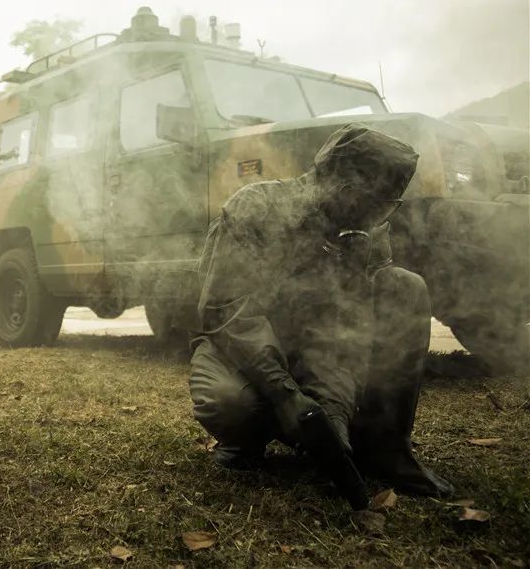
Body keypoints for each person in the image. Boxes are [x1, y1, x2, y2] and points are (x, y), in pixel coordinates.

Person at [189, 124, 453, 497]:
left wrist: (333, 413)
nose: (380, 216)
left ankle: (387, 449)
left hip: (312, 355)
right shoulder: (258, 208)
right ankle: (245, 440)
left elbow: (344, 328)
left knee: (404, 287)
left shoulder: (365, 232)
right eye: (378, 202)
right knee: (232, 401)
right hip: (238, 351)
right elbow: (227, 312)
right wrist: (285, 395)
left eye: (389, 205)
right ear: (343, 187)